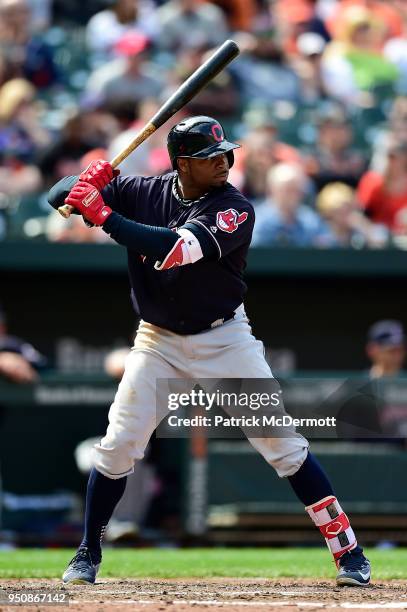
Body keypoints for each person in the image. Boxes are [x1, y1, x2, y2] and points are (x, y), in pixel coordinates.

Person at [48, 115, 371, 587]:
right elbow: (57, 198)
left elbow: (174, 250)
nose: (222, 163)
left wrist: (104, 216)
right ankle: (87, 554)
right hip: (158, 340)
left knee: (283, 446)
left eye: (225, 155)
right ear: (182, 164)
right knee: (118, 445)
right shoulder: (143, 189)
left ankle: (350, 555)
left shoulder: (234, 206)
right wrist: (83, 181)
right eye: (208, 158)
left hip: (224, 340)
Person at [251, 163, 331, 247]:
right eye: (287, 190)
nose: (293, 195)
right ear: (271, 190)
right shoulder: (256, 221)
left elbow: (326, 245)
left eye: (297, 190)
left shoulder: (310, 220)